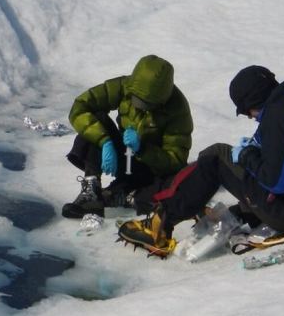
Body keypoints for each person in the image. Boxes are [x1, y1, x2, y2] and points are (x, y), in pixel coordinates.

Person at [118, 65, 284, 256]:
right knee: (236, 164)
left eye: (247, 112)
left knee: (216, 156)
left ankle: (161, 224)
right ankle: (218, 203)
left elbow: (277, 183)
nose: (252, 119)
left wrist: (248, 156)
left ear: (253, 103)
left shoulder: (278, 114)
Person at [62, 54, 194, 219]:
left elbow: (175, 161)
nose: (140, 107)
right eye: (136, 100)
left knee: (168, 187)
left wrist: (142, 148)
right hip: (124, 157)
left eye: (147, 105)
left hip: (150, 168)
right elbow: (81, 107)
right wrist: (105, 142)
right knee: (95, 121)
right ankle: (92, 192)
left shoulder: (177, 110)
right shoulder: (124, 86)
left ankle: (121, 194)